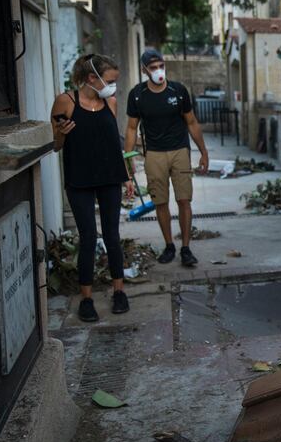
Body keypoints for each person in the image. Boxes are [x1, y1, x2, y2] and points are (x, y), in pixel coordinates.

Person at [51, 54, 134, 322]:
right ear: (91, 78)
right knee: (88, 237)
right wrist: (61, 133)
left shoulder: (110, 101)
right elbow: (54, 145)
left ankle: (119, 292)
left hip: (110, 176)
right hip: (79, 179)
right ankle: (86, 298)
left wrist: (127, 176)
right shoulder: (66, 101)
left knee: (112, 234)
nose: (113, 87)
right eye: (109, 81)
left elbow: (114, 144)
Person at [124, 48, 208, 267]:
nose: (158, 71)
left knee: (184, 200)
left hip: (180, 150)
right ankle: (169, 245)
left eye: (161, 66)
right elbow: (132, 128)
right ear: (144, 70)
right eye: (153, 68)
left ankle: (186, 248)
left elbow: (191, 122)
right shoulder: (137, 94)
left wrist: (203, 152)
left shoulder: (178, 90)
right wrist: (128, 158)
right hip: (153, 154)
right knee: (160, 201)